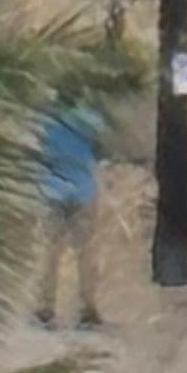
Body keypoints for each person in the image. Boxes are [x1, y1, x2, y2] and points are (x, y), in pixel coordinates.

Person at [33, 95, 106, 329]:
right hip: (83, 190)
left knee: (50, 253)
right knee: (85, 254)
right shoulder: (90, 120)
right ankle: (87, 311)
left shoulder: (45, 122)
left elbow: (38, 154)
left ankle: (45, 310)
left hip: (52, 190)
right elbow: (100, 150)